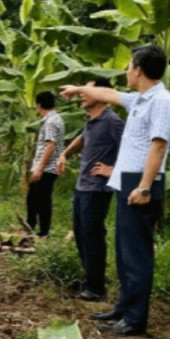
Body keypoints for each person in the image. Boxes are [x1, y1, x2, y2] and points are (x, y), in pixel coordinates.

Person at [59, 45, 170, 335]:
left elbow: (158, 146)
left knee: (136, 255)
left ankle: (135, 320)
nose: (126, 72)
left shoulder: (162, 101)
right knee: (124, 252)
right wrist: (78, 89)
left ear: (138, 70)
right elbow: (108, 94)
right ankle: (123, 308)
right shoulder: (139, 99)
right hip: (128, 181)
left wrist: (145, 187)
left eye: (128, 66)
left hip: (141, 183)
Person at [57, 78, 125, 302]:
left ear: (102, 94)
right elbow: (82, 138)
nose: (81, 94)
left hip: (97, 189)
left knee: (92, 236)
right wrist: (64, 154)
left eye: (87, 90)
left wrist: (112, 170)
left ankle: (96, 288)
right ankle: (90, 278)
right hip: (82, 186)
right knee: (81, 234)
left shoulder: (112, 122)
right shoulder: (92, 120)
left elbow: (132, 148)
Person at [26, 91, 65, 238]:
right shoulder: (57, 119)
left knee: (40, 200)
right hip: (49, 167)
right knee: (35, 198)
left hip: (46, 168)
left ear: (39, 105)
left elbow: (50, 145)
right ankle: (32, 227)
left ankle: (42, 232)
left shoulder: (50, 122)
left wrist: (39, 169)